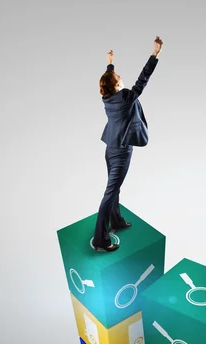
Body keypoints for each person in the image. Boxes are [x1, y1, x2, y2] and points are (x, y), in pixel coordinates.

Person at [91, 36, 163, 252]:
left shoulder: (107, 98)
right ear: (118, 85)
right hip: (121, 150)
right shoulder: (125, 98)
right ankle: (100, 241)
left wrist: (110, 63)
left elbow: (108, 81)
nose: (121, 76)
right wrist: (154, 54)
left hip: (110, 148)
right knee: (110, 193)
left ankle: (117, 220)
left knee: (114, 189)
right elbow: (143, 79)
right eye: (118, 76)